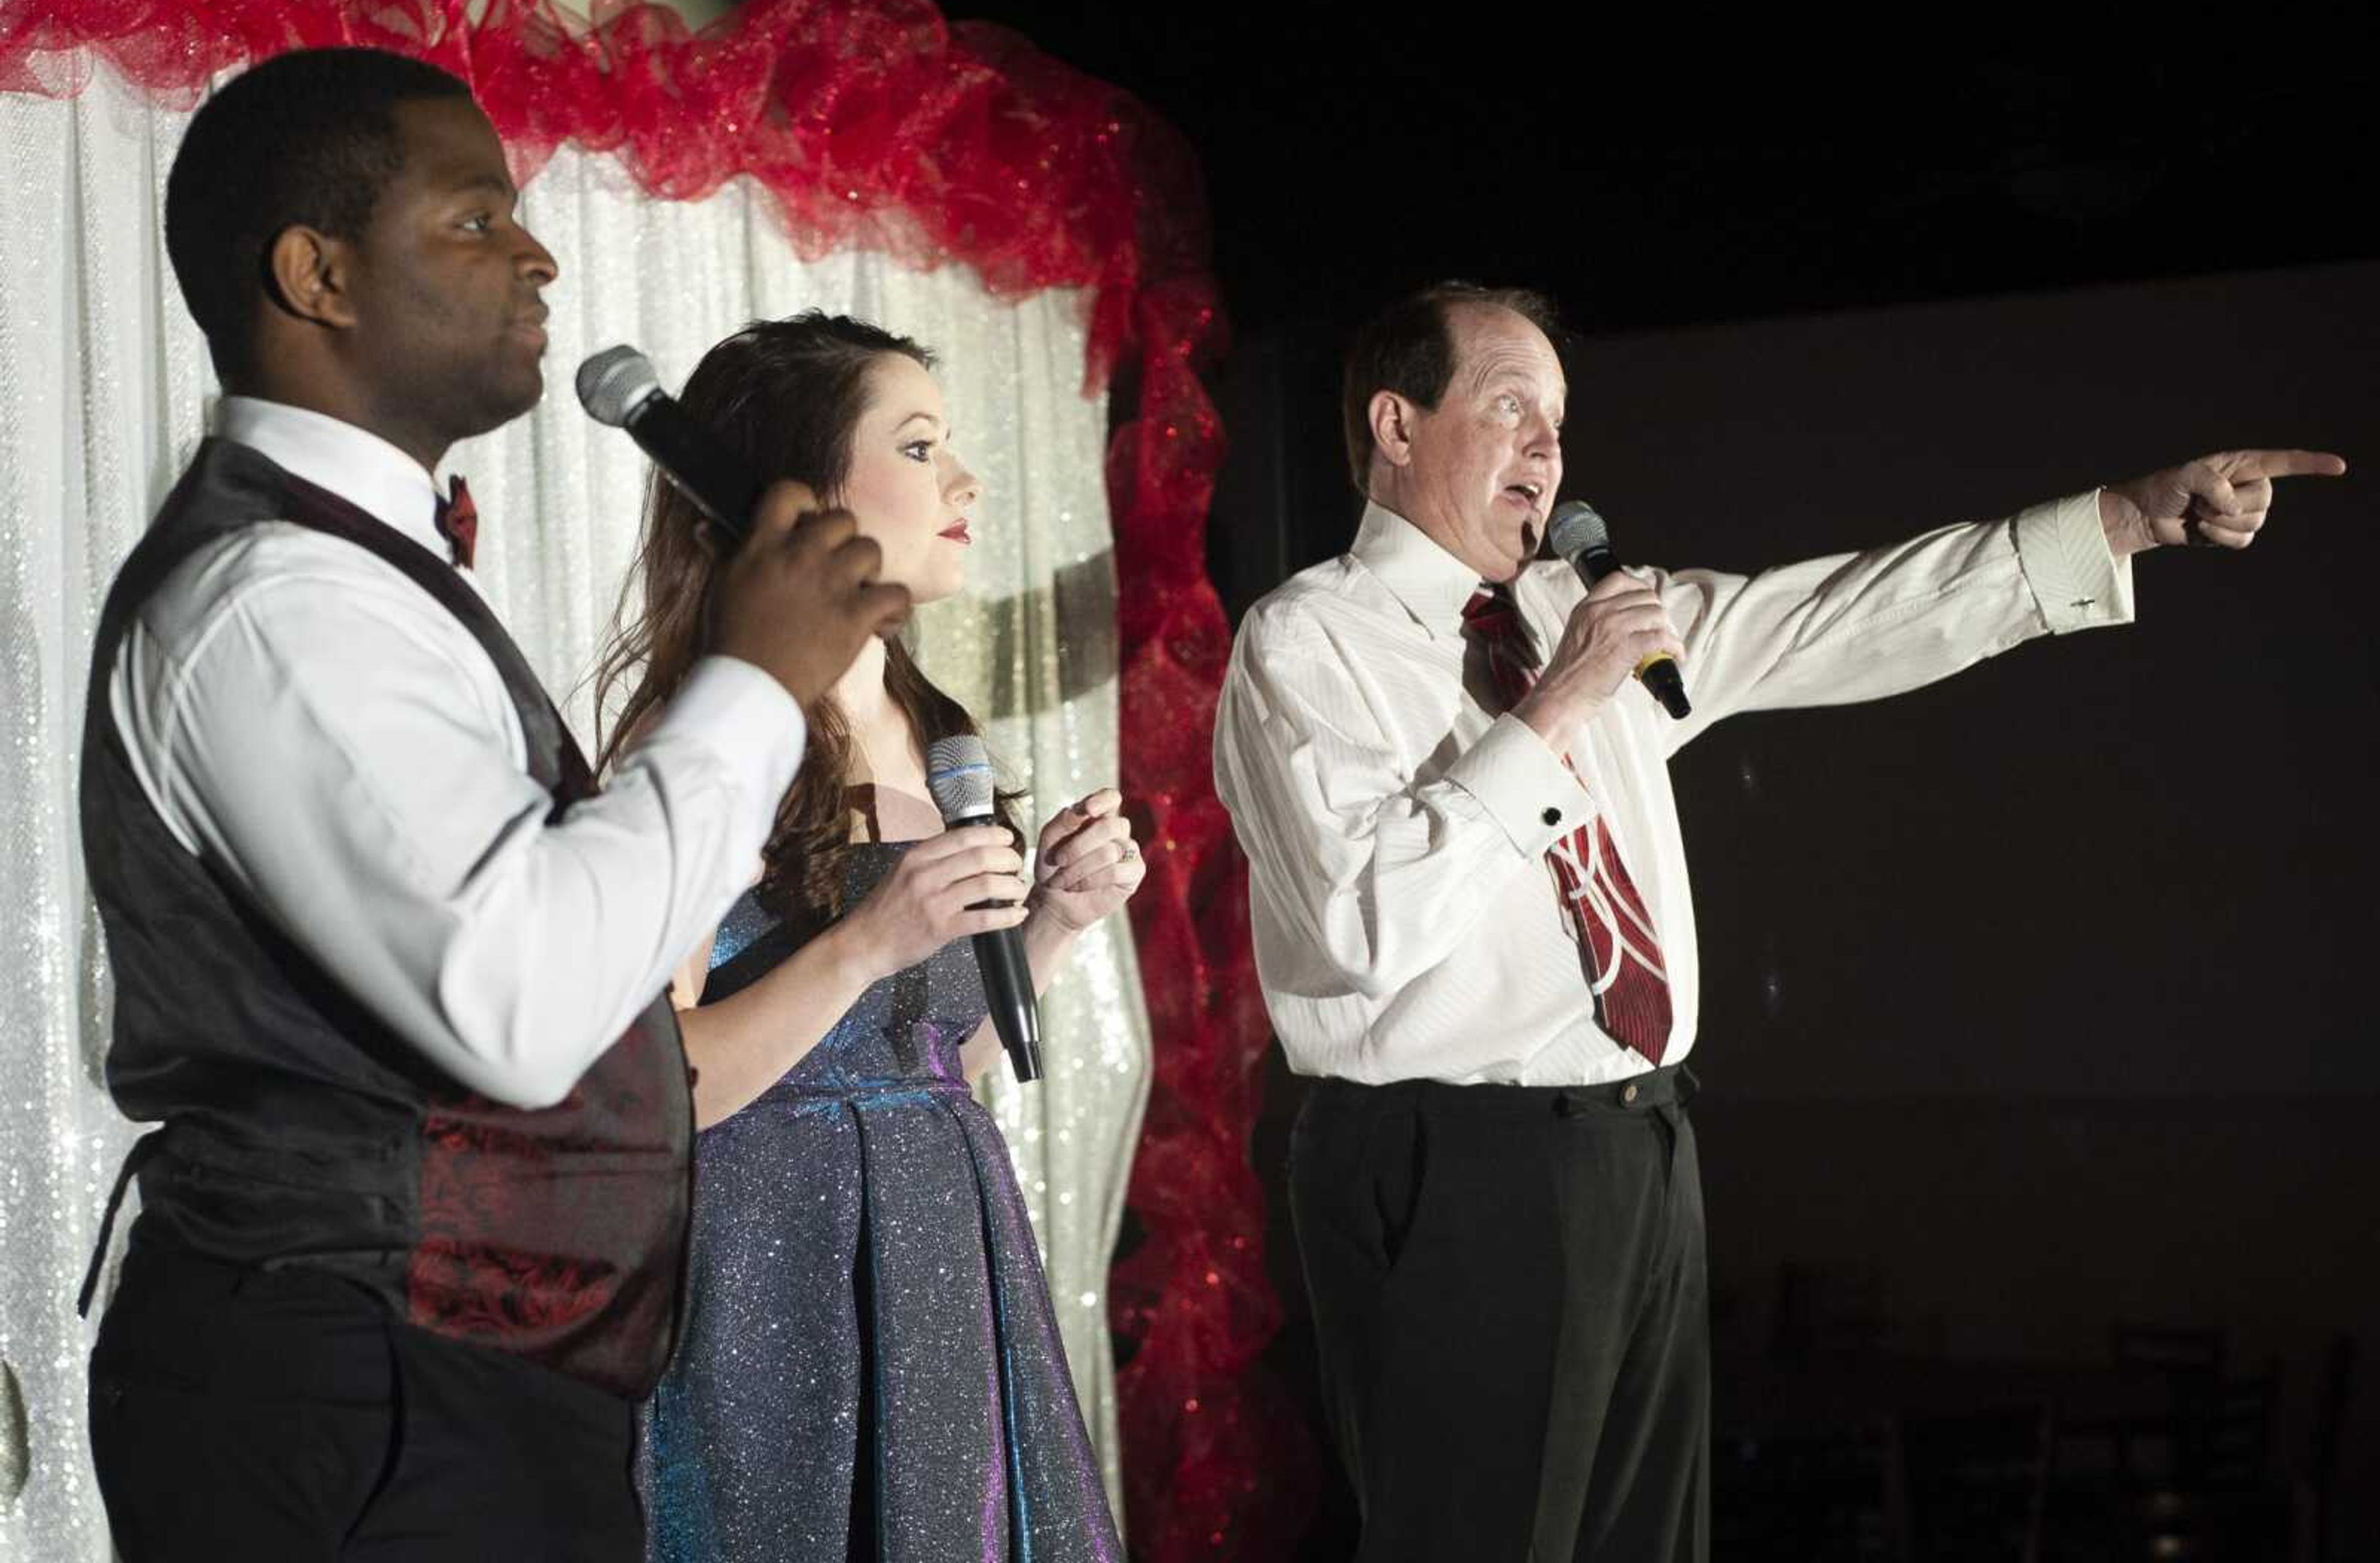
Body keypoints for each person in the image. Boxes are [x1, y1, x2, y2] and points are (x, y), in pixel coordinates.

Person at [1210, 281, 2345, 1562]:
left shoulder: (1580, 619)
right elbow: (1364, 927)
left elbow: (1846, 613)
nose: (1549, 450)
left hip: (1641, 1144)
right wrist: (1560, 708)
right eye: (1512, 407)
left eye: (1563, 423)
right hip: (1451, 1158)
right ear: (1397, 427)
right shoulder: (1312, 641)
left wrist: (2120, 524)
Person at [78, 48, 906, 1561]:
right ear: (316, 275)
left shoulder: (361, 573)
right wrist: (751, 683)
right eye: (475, 219)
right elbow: (518, 1004)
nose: (538, 253)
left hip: (453, 1387)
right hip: (356, 1396)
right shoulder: (271, 601)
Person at [599, 313, 1138, 1562]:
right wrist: (863, 946)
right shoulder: (715, 740)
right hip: (773, 1272)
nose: (966, 481)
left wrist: (1051, 920)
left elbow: (932, 1055)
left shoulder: (934, 728)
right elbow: (655, 1085)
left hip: (943, 1242)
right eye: (917, 445)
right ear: (800, 495)